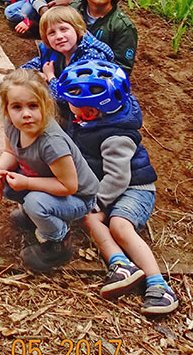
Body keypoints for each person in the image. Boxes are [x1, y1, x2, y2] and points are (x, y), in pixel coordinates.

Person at [55, 60, 178, 315]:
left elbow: (118, 177)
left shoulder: (116, 137)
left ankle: (159, 286)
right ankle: (121, 265)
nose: (67, 104)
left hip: (135, 188)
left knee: (119, 225)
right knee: (88, 219)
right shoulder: (93, 118)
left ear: (89, 111)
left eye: (72, 101)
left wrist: (99, 202)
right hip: (109, 185)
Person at [0, 68, 100, 272]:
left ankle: (58, 241)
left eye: (33, 106)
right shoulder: (12, 125)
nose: (26, 114)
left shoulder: (52, 143)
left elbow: (69, 185)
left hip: (79, 197)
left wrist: (27, 184)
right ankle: (37, 217)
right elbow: (10, 152)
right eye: (17, 107)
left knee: (34, 202)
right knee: (9, 184)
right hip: (48, 183)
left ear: (47, 105)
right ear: (7, 110)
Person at [71, 0, 138, 75]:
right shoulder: (72, 11)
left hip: (100, 77)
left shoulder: (123, 26)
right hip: (68, 69)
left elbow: (123, 67)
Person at [22, 5, 114, 83]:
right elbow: (26, 69)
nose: (59, 36)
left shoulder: (91, 57)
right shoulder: (54, 50)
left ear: (77, 29)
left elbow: (70, 97)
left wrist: (50, 77)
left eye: (64, 29)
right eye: (52, 33)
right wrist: (37, 74)